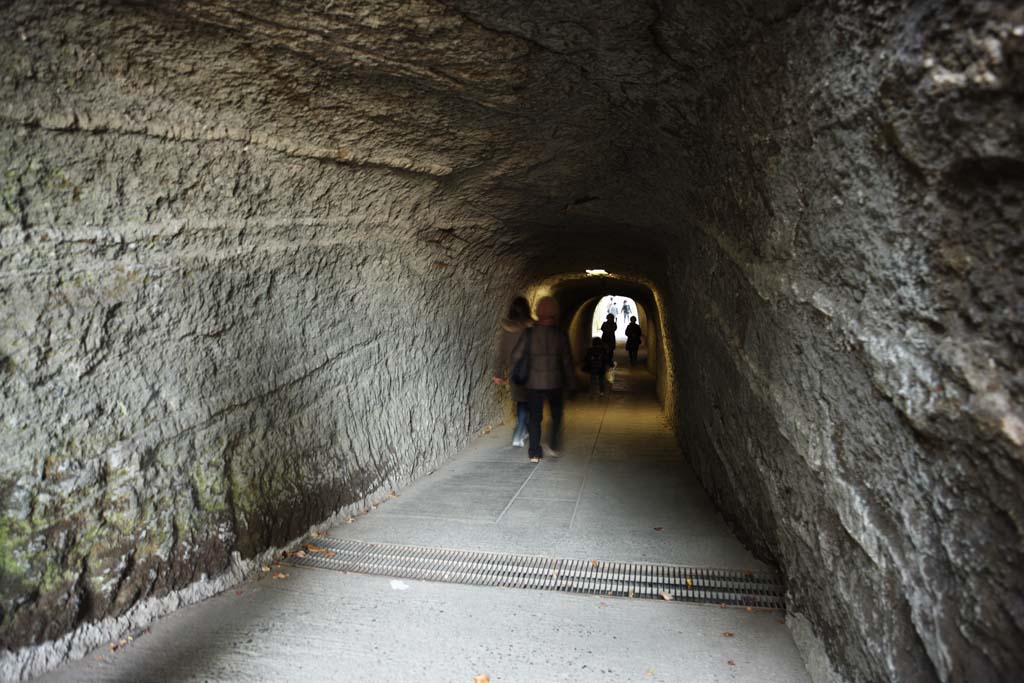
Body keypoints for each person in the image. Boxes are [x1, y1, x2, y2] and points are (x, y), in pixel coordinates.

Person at [510, 296, 575, 462]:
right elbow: (567, 362)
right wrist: (571, 383)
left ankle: (534, 452)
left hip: (533, 382)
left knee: (534, 418)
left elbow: (516, 354)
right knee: (556, 415)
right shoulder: (560, 335)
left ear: (538, 312)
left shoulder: (530, 333)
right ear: (555, 313)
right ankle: (553, 445)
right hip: (555, 382)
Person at [492, 296, 533, 447]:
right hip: (531, 371)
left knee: (521, 402)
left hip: (514, 372)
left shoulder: (507, 329)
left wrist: (498, 373)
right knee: (530, 403)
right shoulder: (532, 327)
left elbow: (501, 352)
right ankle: (519, 433)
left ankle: (524, 430)